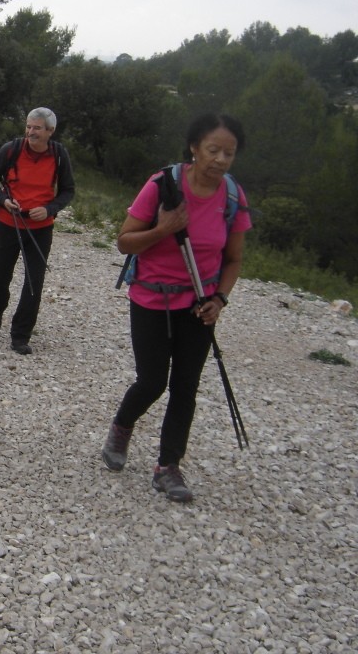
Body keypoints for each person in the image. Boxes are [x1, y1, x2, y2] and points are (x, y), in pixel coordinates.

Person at [101, 113, 251, 503]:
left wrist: (220, 299)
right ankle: (121, 427)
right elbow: (125, 242)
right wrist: (162, 230)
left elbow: (233, 259)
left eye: (228, 153)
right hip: (151, 298)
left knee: (186, 386)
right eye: (213, 150)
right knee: (153, 381)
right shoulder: (162, 185)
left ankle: (168, 466)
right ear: (194, 148)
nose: (220, 159)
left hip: (199, 304)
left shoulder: (232, 197)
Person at [0, 107, 75, 354]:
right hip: (7, 222)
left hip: (41, 227)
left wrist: (50, 208)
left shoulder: (59, 155)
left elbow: (68, 190)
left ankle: (20, 335)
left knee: (34, 281)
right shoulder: (11, 149)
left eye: (37, 128)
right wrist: (4, 199)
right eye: (29, 126)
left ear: (50, 131)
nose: (31, 132)